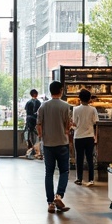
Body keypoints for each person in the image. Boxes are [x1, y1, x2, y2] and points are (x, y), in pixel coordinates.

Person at [36, 80, 73, 214]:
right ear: (61, 90)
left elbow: (38, 124)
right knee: (64, 171)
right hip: (62, 143)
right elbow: (68, 125)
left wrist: (42, 136)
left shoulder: (43, 106)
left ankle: (50, 203)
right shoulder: (65, 106)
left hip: (48, 144)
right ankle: (59, 196)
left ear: (50, 91)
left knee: (49, 173)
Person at [72, 87, 100, 186]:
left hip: (78, 136)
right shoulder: (93, 109)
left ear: (79, 98)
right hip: (89, 136)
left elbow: (74, 123)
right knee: (90, 159)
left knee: (79, 158)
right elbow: (95, 122)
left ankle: (79, 179)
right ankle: (91, 179)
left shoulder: (75, 109)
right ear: (89, 99)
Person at [22, 88, 41, 158]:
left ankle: (30, 151)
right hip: (35, 121)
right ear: (36, 94)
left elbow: (26, 111)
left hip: (29, 121)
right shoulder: (38, 102)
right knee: (36, 138)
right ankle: (36, 152)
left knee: (29, 137)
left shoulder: (28, 102)